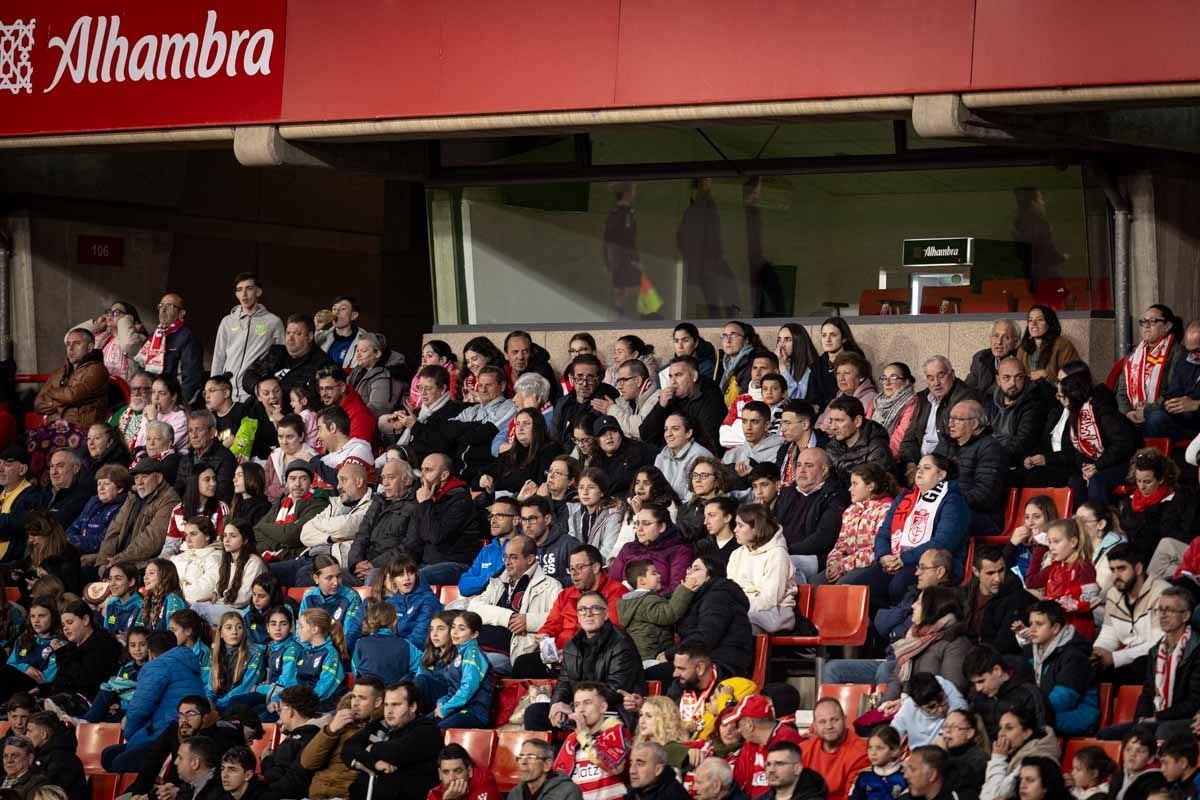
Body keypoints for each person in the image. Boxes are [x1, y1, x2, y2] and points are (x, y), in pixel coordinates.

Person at [844, 454, 969, 609]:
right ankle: (879, 622)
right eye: (918, 467)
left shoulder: (953, 502)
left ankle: (898, 621)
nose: (919, 472)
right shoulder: (904, 498)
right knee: (856, 586)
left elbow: (943, 542)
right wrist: (884, 556)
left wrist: (904, 558)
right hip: (895, 561)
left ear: (941, 475)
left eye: (927, 468)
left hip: (931, 565)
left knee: (899, 585)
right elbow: (884, 533)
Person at [511, 545, 626, 679]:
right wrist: (544, 637)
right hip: (559, 656)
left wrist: (571, 652)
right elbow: (552, 624)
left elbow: (611, 630)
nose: (574, 573)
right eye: (571, 569)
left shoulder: (617, 592)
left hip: (594, 655)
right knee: (523, 663)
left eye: (580, 567)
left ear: (595, 567)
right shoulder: (565, 595)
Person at [534, 593, 644, 731]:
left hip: (612, 708)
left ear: (606, 614)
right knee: (536, 713)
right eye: (582, 609)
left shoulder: (621, 643)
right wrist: (557, 705)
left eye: (595, 608)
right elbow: (564, 684)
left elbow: (615, 691)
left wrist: (574, 707)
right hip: (581, 706)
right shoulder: (571, 645)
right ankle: (559, 745)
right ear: (578, 616)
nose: (588, 614)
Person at [468, 535, 562, 675]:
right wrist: (509, 617)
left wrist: (528, 621)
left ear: (530, 559)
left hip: (511, 654)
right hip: (478, 647)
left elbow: (560, 618)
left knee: (473, 667)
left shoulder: (550, 585)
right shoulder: (498, 582)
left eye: (513, 557)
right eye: (505, 557)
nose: (507, 562)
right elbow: (474, 608)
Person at [118, 694, 245, 796]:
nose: (184, 720)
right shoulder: (175, 728)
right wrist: (138, 793)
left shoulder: (221, 736)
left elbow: (217, 777)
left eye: (191, 714)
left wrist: (178, 792)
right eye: (181, 715)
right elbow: (153, 758)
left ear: (205, 717)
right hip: (168, 788)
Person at [1119, 586, 1200, 741]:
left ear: (1185, 616)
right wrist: (1141, 718)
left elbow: (1193, 702)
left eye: (1169, 610)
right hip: (1158, 717)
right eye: (1160, 610)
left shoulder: (1196, 649)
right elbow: (1147, 693)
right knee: (1107, 734)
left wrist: (1158, 717)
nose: (1162, 615)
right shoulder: (1155, 651)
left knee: (1162, 730)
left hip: (1184, 719)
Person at [339, 681, 442, 800]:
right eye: (386, 705)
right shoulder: (379, 725)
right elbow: (348, 749)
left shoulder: (428, 729)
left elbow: (398, 752)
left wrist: (372, 748)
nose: (389, 711)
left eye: (396, 705)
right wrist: (375, 763)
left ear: (413, 707)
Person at [1061, 364, 1139, 507]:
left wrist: (1097, 466)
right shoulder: (1074, 414)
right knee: (1075, 481)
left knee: (1097, 480)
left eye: (1063, 396)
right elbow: (1074, 450)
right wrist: (1086, 468)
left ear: (1074, 394)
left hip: (1126, 463)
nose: (1061, 400)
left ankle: (1099, 518)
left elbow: (1122, 444)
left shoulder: (1102, 408)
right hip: (1100, 465)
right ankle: (1080, 520)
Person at [301, 676, 386, 800]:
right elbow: (307, 763)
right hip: (316, 794)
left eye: (362, 698)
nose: (355, 703)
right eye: (353, 697)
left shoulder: (381, 729)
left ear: (378, 702)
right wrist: (331, 730)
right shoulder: (337, 722)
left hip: (346, 795)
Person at [933, 399, 1009, 536]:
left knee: (943, 518)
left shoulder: (990, 448)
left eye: (958, 419)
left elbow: (984, 495)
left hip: (983, 517)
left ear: (974, 424)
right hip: (948, 507)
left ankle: (936, 549)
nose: (950, 424)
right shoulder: (946, 444)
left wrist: (947, 502)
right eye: (950, 418)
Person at [899, 356, 979, 476]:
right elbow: (910, 437)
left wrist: (927, 468)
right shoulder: (923, 398)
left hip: (946, 467)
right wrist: (911, 465)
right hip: (919, 465)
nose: (936, 383)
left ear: (952, 375)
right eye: (930, 378)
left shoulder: (964, 399)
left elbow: (953, 442)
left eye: (941, 376)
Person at [210, 274, 285, 402]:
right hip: (227, 392)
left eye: (249, 288)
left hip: (254, 393)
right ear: (236, 294)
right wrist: (213, 388)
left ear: (258, 292)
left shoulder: (273, 322)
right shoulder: (227, 321)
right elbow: (219, 356)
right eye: (239, 290)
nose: (244, 294)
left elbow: (282, 356)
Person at [550, 682, 631, 800]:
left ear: (603, 707)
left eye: (587, 703)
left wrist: (584, 736)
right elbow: (558, 780)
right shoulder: (572, 739)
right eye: (577, 705)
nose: (581, 709)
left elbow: (615, 767)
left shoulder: (617, 732)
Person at [1023, 519, 1101, 639]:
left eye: (1056, 542)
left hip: (1076, 632)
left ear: (1073, 542)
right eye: (1049, 542)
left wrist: (1060, 604)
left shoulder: (1084, 566)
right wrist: (1039, 547)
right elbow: (1031, 582)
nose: (1051, 547)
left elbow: (1089, 600)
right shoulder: (1053, 567)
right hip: (1056, 631)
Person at [726, 504, 796, 635]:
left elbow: (770, 599)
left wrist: (736, 608)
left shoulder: (777, 554)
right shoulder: (736, 554)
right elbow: (731, 590)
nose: (735, 530)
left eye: (740, 526)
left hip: (773, 613)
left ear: (756, 528)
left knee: (734, 625)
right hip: (741, 610)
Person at [241, 314, 335, 411]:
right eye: (288, 333)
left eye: (297, 334)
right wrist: (260, 388)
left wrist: (275, 393)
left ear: (310, 336)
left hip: (291, 416)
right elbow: (248, 376)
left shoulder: (322, 363)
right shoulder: (276, 352)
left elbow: (315, 399)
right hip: (256, 410)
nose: (290, 338)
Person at [347, 460, 417, 586]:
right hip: (364, 566)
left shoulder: (417, 504)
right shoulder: (378, 501)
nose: (385, 483)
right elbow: (361, 535)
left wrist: (374, 565)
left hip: (393, 567)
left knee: (373, 577)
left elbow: (410, 546)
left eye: (391, 477)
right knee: (323, 575)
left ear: (407, 480)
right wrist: (356, 563)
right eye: (383, 478)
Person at [824, 463, 896, 583]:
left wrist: (843, 565)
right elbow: (840, 545)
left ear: (870, 486)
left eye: (855, 484)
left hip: (871, 566)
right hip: (845, 566)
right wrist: (833, 563)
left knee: (844, 584)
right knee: (816, 581)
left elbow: (877, 550)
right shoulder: (850, 511)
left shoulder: (886, 510)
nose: (850, 489)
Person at [960, 544, 1036, 656]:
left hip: (992, 657)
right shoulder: (966, 593)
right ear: (976, 572)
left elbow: (1004, 644)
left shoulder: (1016, 596)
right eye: (990, 573)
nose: (997, 579)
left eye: (1001, 571)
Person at [962, 645, 1049, 742]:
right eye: (974, 683)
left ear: (997, 670)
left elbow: (1044, 737)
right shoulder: (978, 699)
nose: (978, 688)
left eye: (981, 681)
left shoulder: (1030, 695)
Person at [1116, 303, 1185, 425]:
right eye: (1143, 321)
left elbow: (1173, 392)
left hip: (1162, 412)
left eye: (1153, 321)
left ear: (1167, 326)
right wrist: (1128, 412)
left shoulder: (1178, 353)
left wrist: (1147, 410)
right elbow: (1122, 392)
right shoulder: (1132, 356)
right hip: (1133, 412)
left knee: (1155, 418)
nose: (1146, 325)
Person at [640, 356, 727, 451]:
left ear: (694, 376)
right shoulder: (670, 398)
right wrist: (661, 406)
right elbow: (645, 435)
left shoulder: (710, 398)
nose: (673, 382)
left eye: (678, 375)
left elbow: (709, 442)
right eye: (670, 376)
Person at [617, 558, 692, 664]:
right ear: (641, 581)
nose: (659, 575)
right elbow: (669, 614)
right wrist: (686, 589)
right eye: (654, 573)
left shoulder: (635, 601)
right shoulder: (646, 601)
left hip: (645, 658)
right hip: (654, 658)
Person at [728, 695, 804, 797]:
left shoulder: (789, 742)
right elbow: (738, 781)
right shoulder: (749, 745)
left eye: (738, 725)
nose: (738, 731)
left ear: (749, 725)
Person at [985, 357, 1049, 479]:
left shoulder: (1033, 402)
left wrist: (993, 459)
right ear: (998, 380)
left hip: (1014, 463)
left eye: (1018, 377)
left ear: (1025, 378)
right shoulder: (989, 400)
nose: (1013, 383)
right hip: (990, 457)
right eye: (1006, 378)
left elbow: (1023, 441)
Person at [978, 707, 1061, 800]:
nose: (1001, 733)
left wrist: (998, 758)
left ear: (1026, 733)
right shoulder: (1013, 753)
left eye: (1009, 728)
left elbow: (994, 796)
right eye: (1000, 728)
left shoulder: (1038, 758)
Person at [34, 327, 109, 428]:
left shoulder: (97, 370)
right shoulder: (58, 373)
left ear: (90, 347)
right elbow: (38, 404)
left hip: (82, 431)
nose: (71, 348)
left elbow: (72, 396)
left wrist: (51, 393)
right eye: (68, 344)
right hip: (54, 429)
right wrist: (63, 401)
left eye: (77, 343)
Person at [255, 461, 330, 562]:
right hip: (274, 556)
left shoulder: (319, 503)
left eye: (303, 478)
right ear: (287, 482)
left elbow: (291, 535)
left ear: (311, 482)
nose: (297, 484)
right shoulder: (282, 501)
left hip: (299, 559)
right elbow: (256, 531)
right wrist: (278, 544)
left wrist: (264, 527)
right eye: (293, 478)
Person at [258, 685, 324, 800]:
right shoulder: (305, 736)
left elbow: (286, 780)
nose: (279, 715)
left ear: (290, 711)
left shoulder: (303, 739)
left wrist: (266, 760)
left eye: (280, 709)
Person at [135, 292, 203, 403]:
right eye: (161, 306)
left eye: (170, 306)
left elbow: (191, 378)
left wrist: (179, 404)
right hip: (150, 399)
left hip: (171, 401)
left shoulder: (187, 337)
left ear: (181, 313)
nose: (163, 310)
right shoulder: (154, 336)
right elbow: (142, 369)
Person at [1144, 319, 1200, 440]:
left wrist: (1196, 404)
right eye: (1189, 351)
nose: (1193, 356)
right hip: (1183, 418)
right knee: (1153, 417)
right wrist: (1172, 403)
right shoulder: (1186, 358)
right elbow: (1174, 391)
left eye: (1198, 351)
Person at [74, 300, 147, 382]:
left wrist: (126, 320)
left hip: (123, 388)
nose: (110, 315)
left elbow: (128, 345)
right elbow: (71, 338)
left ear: (129, 318)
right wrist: (96, 325)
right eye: (109, 312)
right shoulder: (102, 337)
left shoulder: (138, 337)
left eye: (116, 312)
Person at [824, 396, 894, 483]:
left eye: (839, 421)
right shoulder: (832, 447)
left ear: (857, 421)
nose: (833, 427)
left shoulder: (877, 448)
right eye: (831, 421)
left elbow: (875, 485)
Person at [816, 352, 878, 437]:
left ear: (861, 377)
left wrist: (831, 431)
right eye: (838, 373)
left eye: (847, 373)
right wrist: (822, 428)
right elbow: (817, 425)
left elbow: (861, 432)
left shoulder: (870, 400)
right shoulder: (836, 400)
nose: (841, 378)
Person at [594, 415, 659, 496]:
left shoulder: (639, 451)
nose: (609, 437)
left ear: (621, 434)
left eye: (613, 431)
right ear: (597, 441)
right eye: (603, 434)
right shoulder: (595, 462)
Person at [26, 713, 85, 800]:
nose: (26, 735)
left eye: (29, 731)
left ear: (43, 735)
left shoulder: (62, 759)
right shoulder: (42, 754)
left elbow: (50, 794)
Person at [722, 402, 785, 483]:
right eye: (744, 421)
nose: (748, 427)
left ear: (767, 425)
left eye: (754, 422)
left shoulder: (781, 451)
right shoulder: (731, 455)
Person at [315, 365, 377, 446]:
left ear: (342, 387)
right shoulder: (329, 409)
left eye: (329, 388)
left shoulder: (360, 415)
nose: (323, 394)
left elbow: (356, 451)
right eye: (321, 389)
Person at [812, 318, 866, 412]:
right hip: (822, 414)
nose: (827, 340)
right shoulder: (817, 364)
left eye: (833, 335)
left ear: (844, 338)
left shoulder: (855, 361)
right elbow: (812, 397)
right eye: (824, 335)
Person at [1017, 304, 1081, 382]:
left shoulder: (1063, 345)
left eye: (1039, 320)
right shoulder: (1023, 348)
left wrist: (1047, 375)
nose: (1033, 324)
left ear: (1049, 323)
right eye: (1030, 320)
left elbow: (1075, 378)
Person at [347, 332, 398, 419]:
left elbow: (377, 408)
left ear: (377, 353)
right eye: (357, 351)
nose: (358, 355)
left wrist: (349, 415)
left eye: (363, 351)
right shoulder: (357, 370)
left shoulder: (382, 377)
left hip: (362, 420)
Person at [511, 738, 582, 800]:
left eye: (531, 757)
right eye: (521, 757)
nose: (523, 762)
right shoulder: (515, 793)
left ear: (547, 765)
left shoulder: (569, 792)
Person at [848, 724, 906, 800]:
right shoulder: (864, 776)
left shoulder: (905, 776)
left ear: (895, 751)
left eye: (879, 748)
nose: (873, 753)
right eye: (870, 747)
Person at [1107, 729, 1167, 800]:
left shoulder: (1155, 782)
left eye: (1139, 751)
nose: (1132, 754)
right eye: (1128, 749)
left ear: (1150, 758)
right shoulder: (1118, 775)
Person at [426, 743, 501, 800]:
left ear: (470, 771)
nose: (452, 778)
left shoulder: (486, 790)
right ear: (440, 774)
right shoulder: (435, 794)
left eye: (458, 771)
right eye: (446, 772)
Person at [967, 319, 1020, 397]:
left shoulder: (1020, 361)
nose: (999, 342)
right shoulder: (981, 357)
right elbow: (967, 388)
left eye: (1006, 337)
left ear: (1016, 342)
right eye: (996, 336)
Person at [628, 741, 694, 800]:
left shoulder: (674, 795)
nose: (631, 771)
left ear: (658, 770)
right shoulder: (635, 791)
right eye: (631, 763)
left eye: (639, 764)